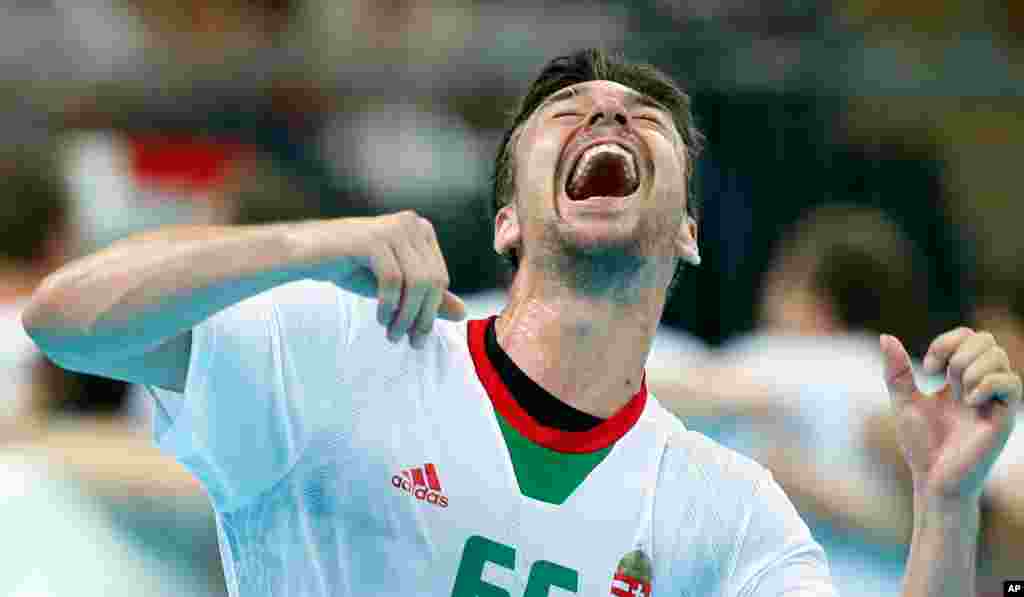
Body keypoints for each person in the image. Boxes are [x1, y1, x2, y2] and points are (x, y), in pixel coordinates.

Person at [23, 49, 1021, 597]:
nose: (608, 117)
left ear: (686, 230)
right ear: (507, 219)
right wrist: (311, 243)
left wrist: (945, 508)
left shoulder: (723, 510)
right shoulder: (339, 347)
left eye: (642, 118)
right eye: (568, 111)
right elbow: (65, 319)